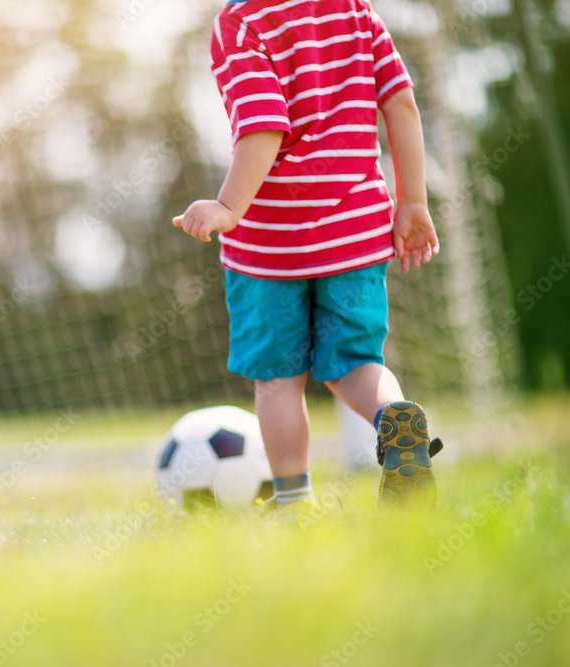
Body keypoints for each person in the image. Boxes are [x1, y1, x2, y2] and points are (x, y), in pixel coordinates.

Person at [173, 0, 444, 510]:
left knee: (278, 380)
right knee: (356, 363)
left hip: (272, 244)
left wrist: (228, 207)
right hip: (355, 232)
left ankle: (294, 503)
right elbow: (401, 103)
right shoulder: (355, 9)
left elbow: (263, 124)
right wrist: (412, 202)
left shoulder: (241, 21)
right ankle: (395, 418)